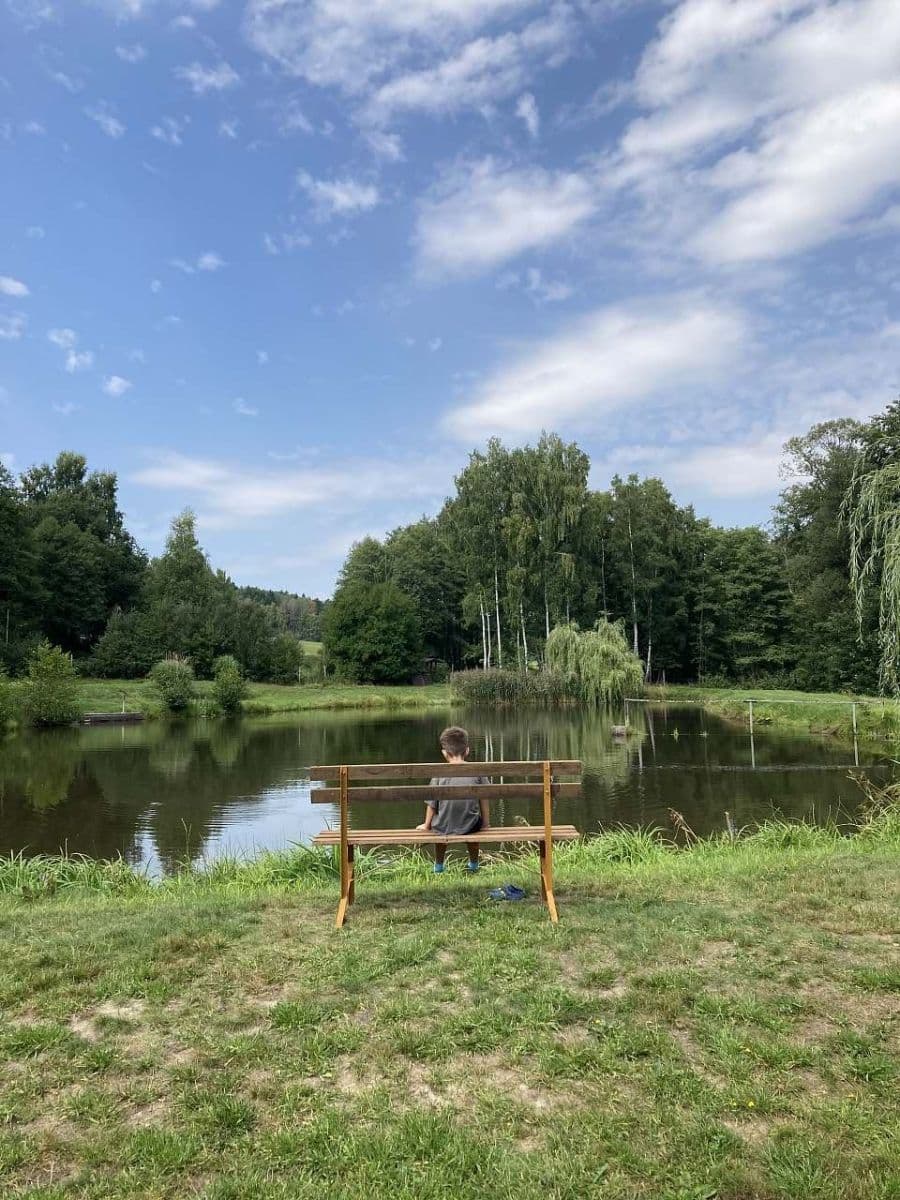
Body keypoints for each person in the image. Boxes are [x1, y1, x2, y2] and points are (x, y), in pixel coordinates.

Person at [416, 725, 489, 873]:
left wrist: (426, 825)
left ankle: (439, 866)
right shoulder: (478, 771)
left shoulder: (439, 773)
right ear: (467, 750)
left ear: (444, 753)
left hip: (443, 826)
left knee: (440, 824)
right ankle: (474, 865)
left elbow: (432, 804)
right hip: (471, 826)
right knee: (473, 823)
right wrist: (486, 823)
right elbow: (485, 798)